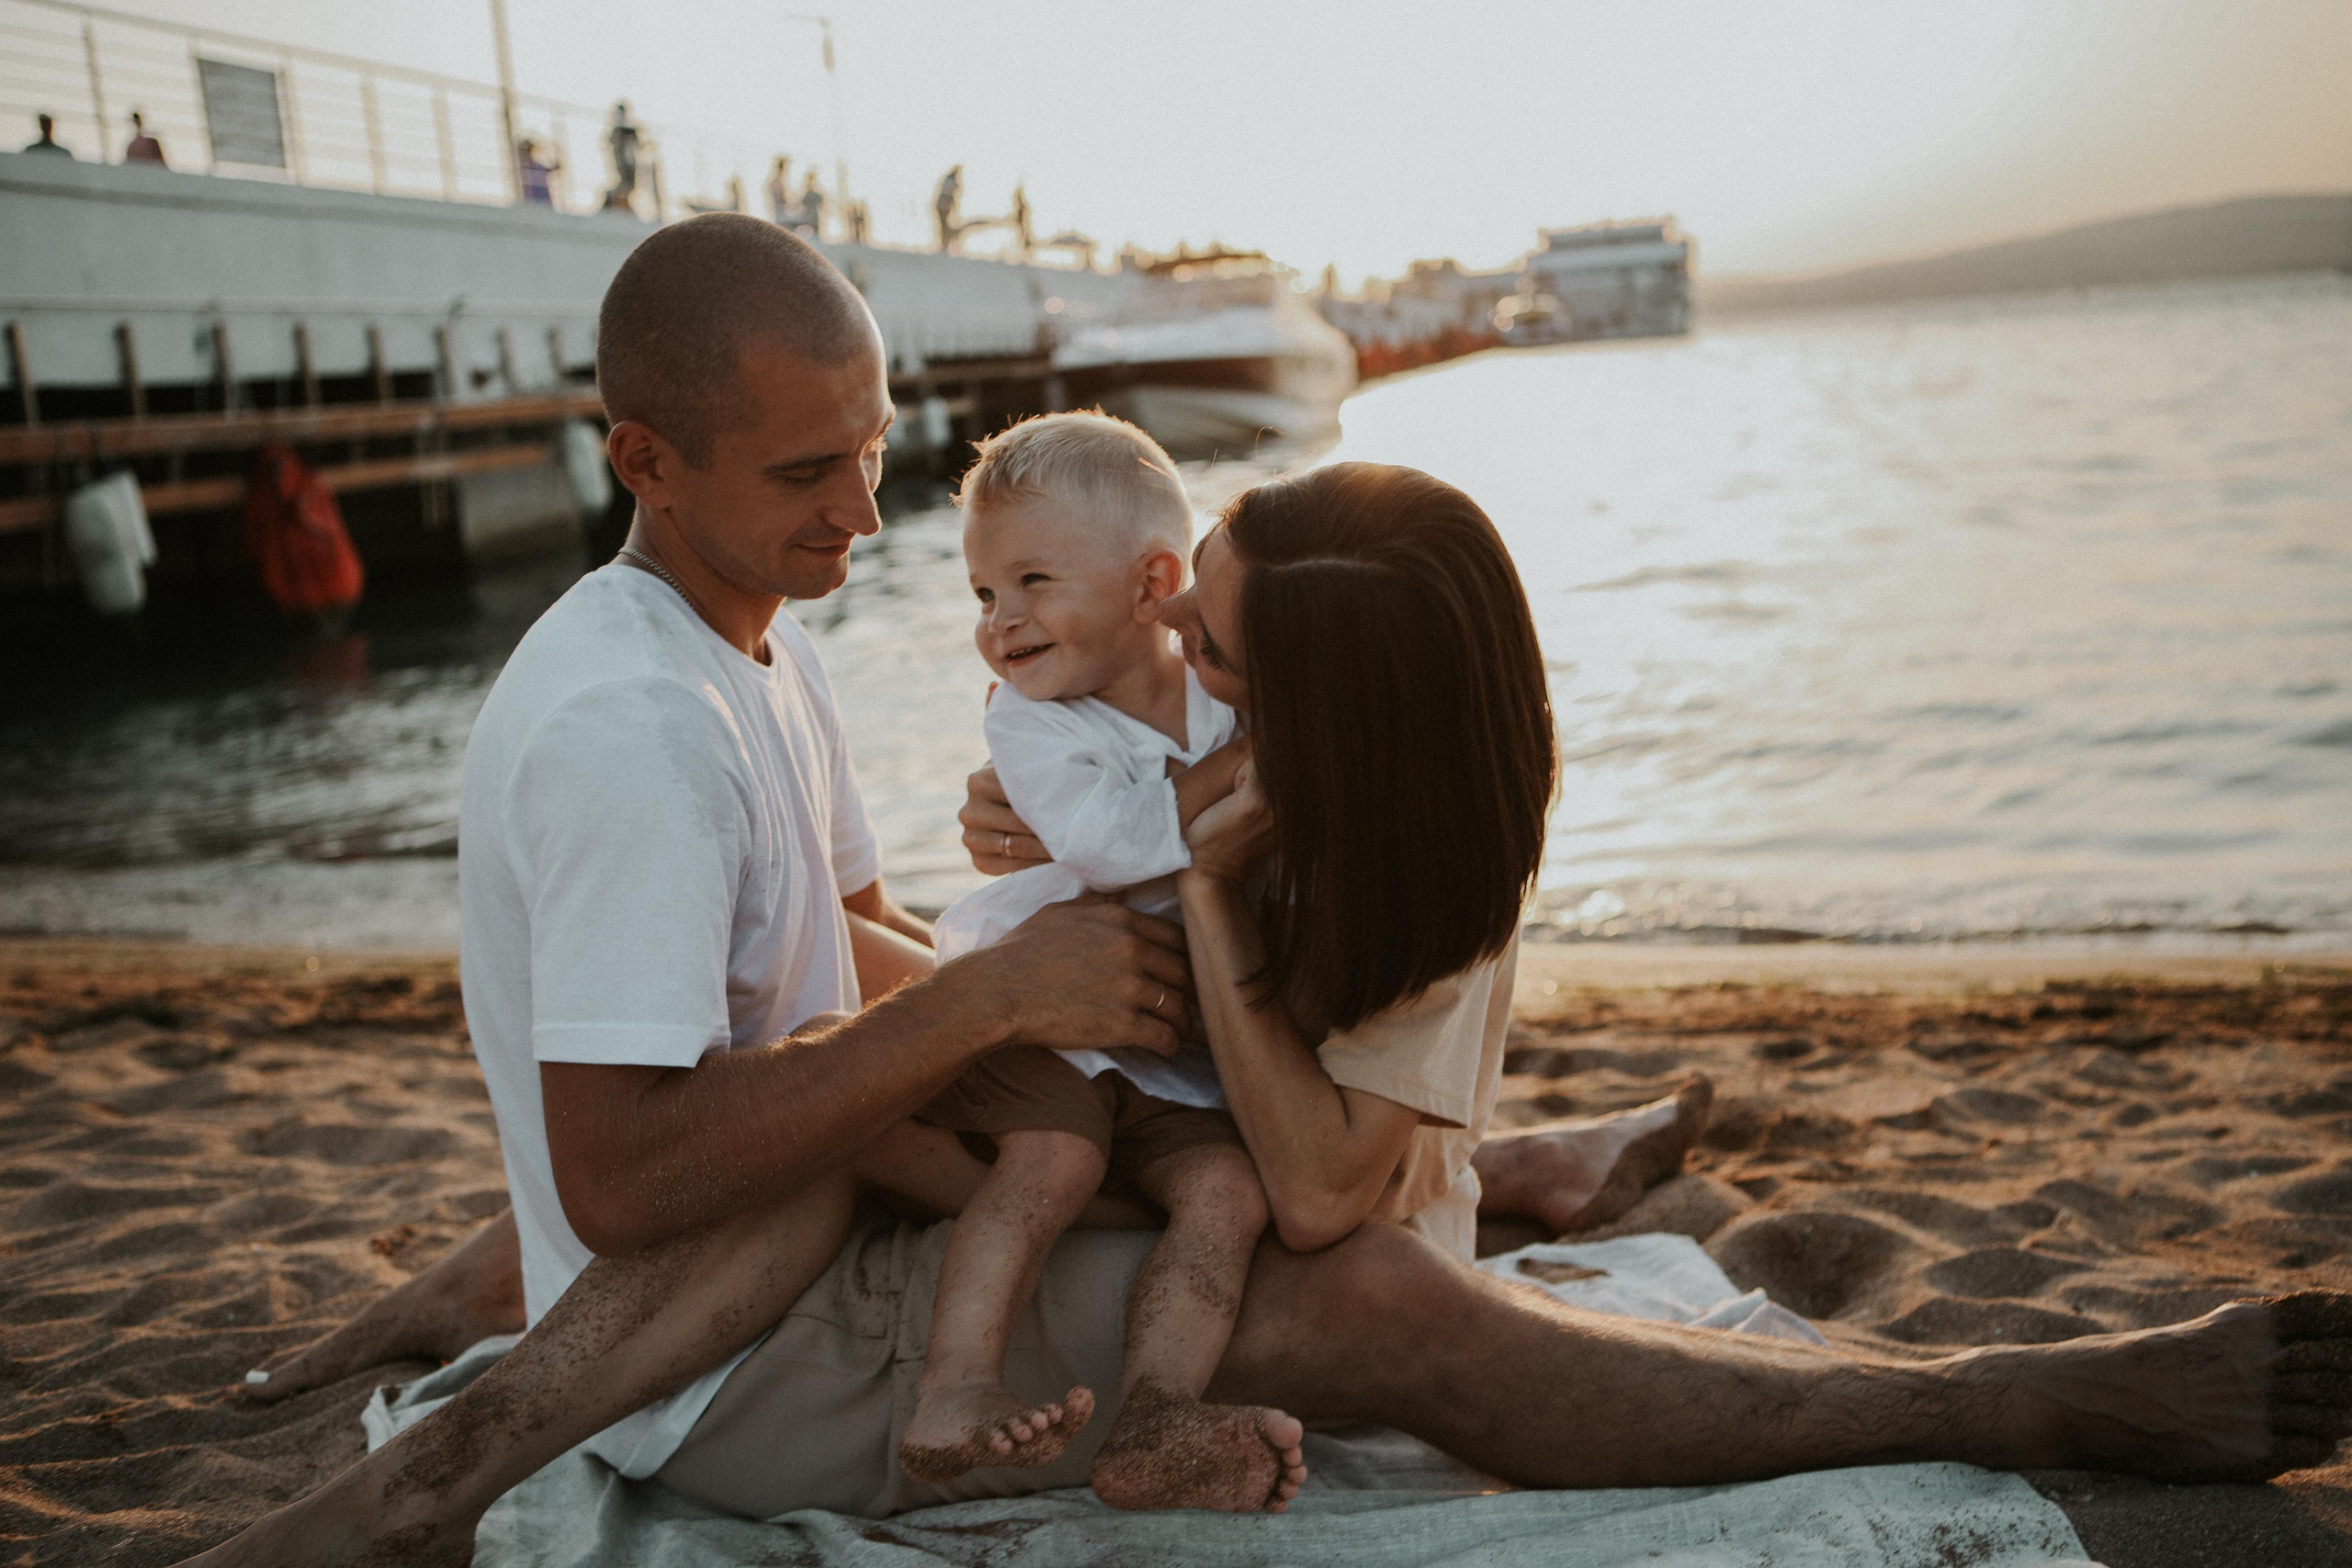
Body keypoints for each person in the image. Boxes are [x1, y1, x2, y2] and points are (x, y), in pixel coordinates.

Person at [176, 213, 2352, 1568]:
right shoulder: (628, 731)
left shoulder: (764, 637)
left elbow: (846, 951)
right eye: (802, 471)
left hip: (877, 1181)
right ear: (640, 460)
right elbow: (631, 1167)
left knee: (1244, 1159)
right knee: (1379, 1298)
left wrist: (1045, 994)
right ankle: (2004, 1395)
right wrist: (995, 1002)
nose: (864, 509)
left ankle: (1512, 1177)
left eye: (871, 449)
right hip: (726, 1359)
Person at [893, 412, 1270, 1500]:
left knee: (1226, 1193)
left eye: (1032, 582)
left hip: (1166, 1036)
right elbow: (1107, 845)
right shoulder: (1031, 721)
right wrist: (1239, 770)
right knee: (1049, 1164)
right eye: (981, 594)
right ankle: (954, 1385)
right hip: (1047, 1005)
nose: (1001, 621)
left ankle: (1157, 1417)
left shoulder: (1221, 687)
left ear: (1155, 585)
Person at [603, 101, 639, 210]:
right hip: (623, 162)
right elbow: (611, 142)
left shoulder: (630, 130)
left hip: (630, 162)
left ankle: (618, 205)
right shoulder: (617, 130)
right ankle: (608, 202)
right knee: (625, 185)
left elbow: (637, 143)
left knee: (629, 186)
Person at [516, 138, 558, 206]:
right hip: (533, 197)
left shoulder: (535, 166)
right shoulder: (525, 167)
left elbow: (553, 167)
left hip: (542, 196)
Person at [935, 164, 963, 253]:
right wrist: (955, 208)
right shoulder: (952, 181)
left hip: (941, 206)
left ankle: (945, 245)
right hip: (945, 207)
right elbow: (951, 196)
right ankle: (945, 245)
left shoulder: (947, 179)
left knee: (944, 226)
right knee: (945, 227)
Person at [765, 154, 793, 225]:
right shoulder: (778, 182)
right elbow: (784, 199)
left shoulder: (774, 180)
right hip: (780, 212)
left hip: (777, 211)